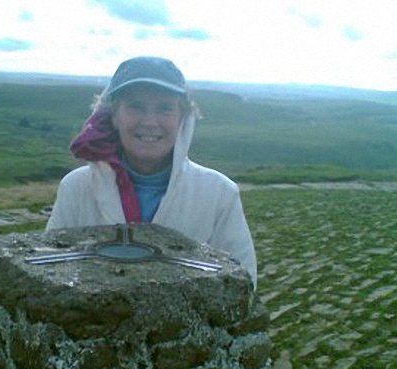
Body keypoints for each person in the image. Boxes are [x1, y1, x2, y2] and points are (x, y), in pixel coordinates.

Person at [46, 56, 258, 288]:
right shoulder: (76, 188)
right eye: (135, 106)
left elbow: (243, 284)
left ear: (183, 117)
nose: (149, 121)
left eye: (164, 108)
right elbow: (48, 274)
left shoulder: (219, 194)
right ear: (114, 116)